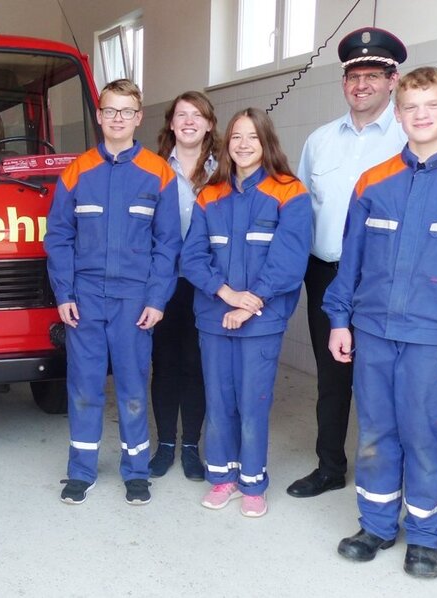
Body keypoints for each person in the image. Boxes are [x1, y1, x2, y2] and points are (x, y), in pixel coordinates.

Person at [325, 66, 437, 579]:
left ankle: (423, 536)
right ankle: (377, 525)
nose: (421, 115)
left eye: (432, 105)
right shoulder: (373, 182)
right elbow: (348, 261)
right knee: (375, 432)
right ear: (397, 114)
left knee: (424, 434)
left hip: (433, 340)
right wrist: (339, 320)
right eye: (411, 107)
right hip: (374, 334)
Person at [45, 78, 181, 506]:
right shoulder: (77, 171)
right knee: (83, 386)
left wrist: (157, 299)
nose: (117, 118)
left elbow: (169, 244)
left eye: (126, 111)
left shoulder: (159, 173)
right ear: (99, 116)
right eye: (109, 111)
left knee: (133, 387)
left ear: (139, 118)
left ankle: (136, 472)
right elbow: (59, 236)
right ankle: (80, 472)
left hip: (134, 301)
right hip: (84, 298)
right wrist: (64, 293)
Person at [288, 27, 408, 499]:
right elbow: (299, 210)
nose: (362, 84)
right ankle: (330, 467)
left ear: (393, 79)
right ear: (343, 82)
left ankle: (386, 474)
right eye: (354, 75)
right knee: (332, 378)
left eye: (373, 75)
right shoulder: (319, 140)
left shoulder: (408, 137)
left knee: (383, 378)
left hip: (385, 278)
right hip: (326, 273)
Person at [180, 108, 311, 518]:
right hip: (215, 315)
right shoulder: (210, 194)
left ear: (266, 141)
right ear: (225, 143)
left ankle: (253, 482)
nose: (242, 144)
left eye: (252, 137)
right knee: (219, 401)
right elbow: (193, 256)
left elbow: (288, 261)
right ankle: (222, 478)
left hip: (262, 321)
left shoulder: (290, 192)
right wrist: (227, 295)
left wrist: (250, 302)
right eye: (236, 136)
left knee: (253, 402)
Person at [148, 91, 219, 481]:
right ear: (171, 124)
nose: (189, 121)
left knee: (198, 366)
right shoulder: (154, 168)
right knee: (165, 365)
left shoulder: (225, 168)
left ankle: (191, 446)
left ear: (209, 123)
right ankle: (165, 446)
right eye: (181, 115)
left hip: (208, 284)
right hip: (166, 281)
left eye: (197, 115)